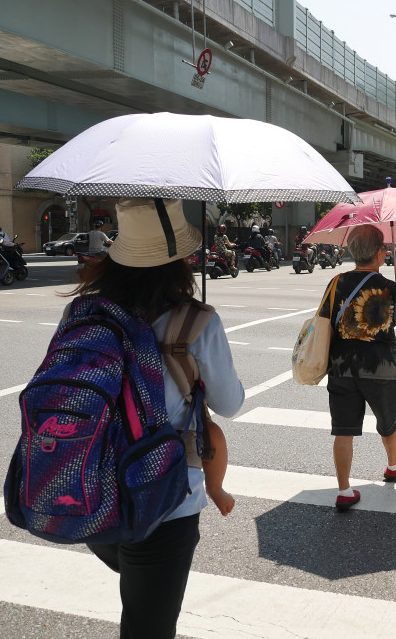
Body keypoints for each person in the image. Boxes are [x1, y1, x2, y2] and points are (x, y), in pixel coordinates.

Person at [68, 198, 244, 637]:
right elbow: (229, 403)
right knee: (149, 624)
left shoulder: (82, 311)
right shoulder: (196, 321)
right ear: (181, 260)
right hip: (165, 501)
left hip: (87, 487)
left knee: (137, 586)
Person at [318, 224, 396, 511]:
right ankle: (392, 464)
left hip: (341, 367)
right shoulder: (391, 288)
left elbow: (323, 321)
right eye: (384, 248)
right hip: (381, 370)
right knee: (388, 422)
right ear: (379, 254)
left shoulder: (336, 282)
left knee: (343, 430)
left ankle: (344, 490)